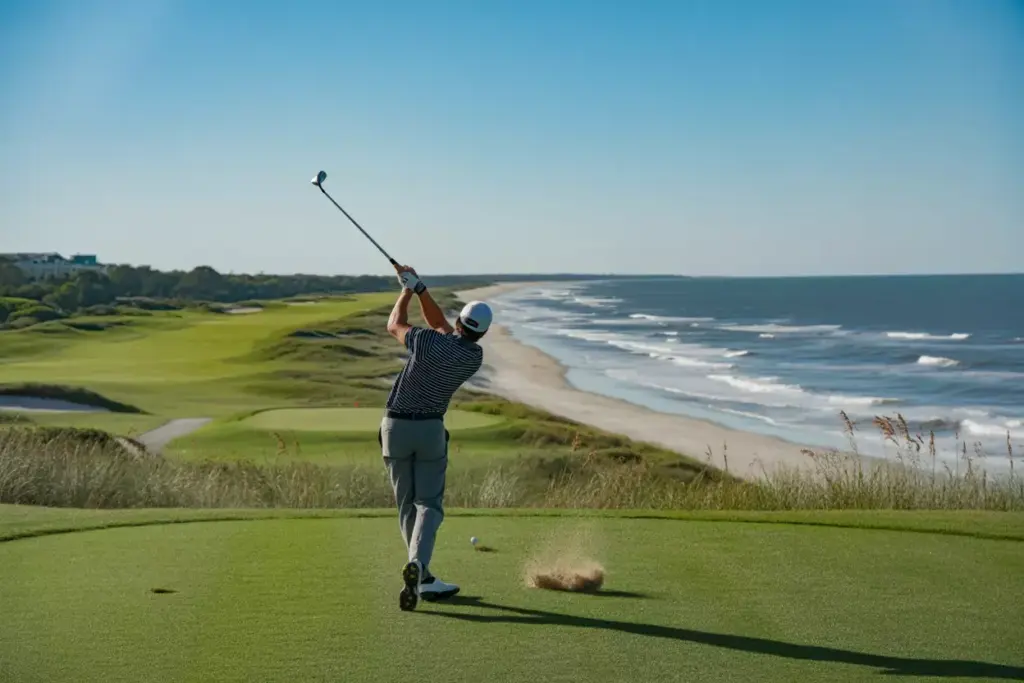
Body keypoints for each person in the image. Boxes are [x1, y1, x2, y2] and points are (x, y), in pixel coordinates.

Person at [379, 264, 492, 612]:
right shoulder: (474, 356)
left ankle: (422, 573)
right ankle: (420, 569)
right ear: (482, 333)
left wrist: (408, 291)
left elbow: (394, 325)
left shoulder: (426, 341)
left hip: (395, 427)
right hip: (430, 430)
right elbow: (442, 327)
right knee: (429, 504)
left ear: (459, 324)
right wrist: (420, 287)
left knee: (405, 504)